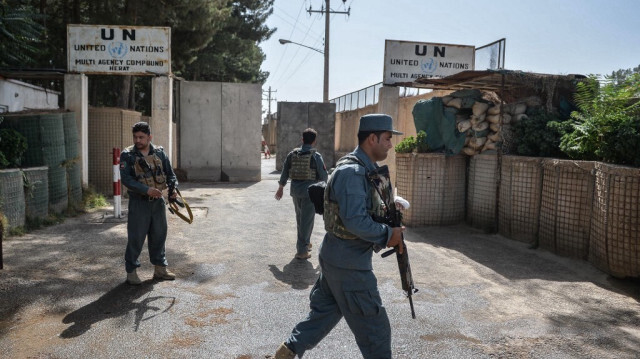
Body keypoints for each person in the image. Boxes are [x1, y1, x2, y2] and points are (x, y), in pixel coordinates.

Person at [274, 114, 405, 358]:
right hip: (350, 266)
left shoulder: (362, 168)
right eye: (387, 139)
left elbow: (361, 211)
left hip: (337, 258)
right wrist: (389, 235)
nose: (390, 144)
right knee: (376, 331)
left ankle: (285, 354)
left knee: (322, 317)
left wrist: (389, 214)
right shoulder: (354, 172)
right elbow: (355, 221)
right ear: (372, 138)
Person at [120, 121, 178, 285]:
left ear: (149, 137)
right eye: (135, 137)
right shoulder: (128, 155)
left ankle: (160, 269)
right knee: (136, 237)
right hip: (139, 203)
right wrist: (146, 190)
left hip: (158, 203)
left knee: (159, 235)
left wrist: (173, 189)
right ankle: (131, 271)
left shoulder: (159, 152)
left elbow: (170, 174)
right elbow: (127, 179)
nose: (138, 140)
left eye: (141, 137)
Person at [275, 128, 328, 259]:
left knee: (301, 219)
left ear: (302, 139)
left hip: (295, 192)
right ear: (314, 141)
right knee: (306, 221)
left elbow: (285, 172)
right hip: (310, 193)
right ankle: (302, 251)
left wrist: (281, 187)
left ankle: (305, 242)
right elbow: (324, 176)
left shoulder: (292, 154)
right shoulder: (316, 156)